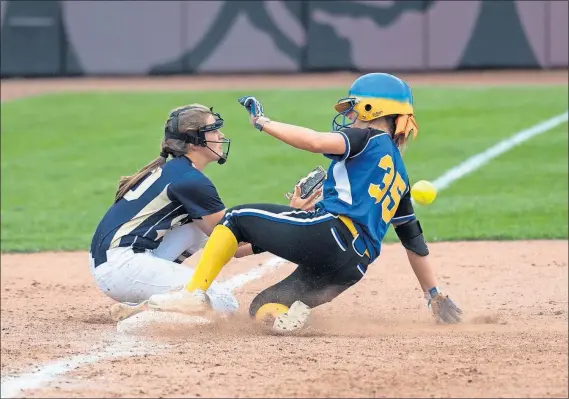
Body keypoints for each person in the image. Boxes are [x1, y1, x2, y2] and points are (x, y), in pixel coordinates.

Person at [146, 73, 463, 333]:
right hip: (352, 267)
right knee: (264, 309)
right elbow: (414, 243)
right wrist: (433, 294)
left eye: (353, 109)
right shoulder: (401, 178)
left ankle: (193, 295)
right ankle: (292, 316)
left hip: (332, 236)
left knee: (238, 217)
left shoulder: (366, 138)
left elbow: (314, 141)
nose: (348, 116)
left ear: (372, 109)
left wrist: (263, 123)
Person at [89, 103, 321, 322]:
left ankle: (155, 299)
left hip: (116, 263)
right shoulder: (191, 181)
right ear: (195, 141)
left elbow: (231, 244)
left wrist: (283, 223)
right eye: (213, 130)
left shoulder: (175, 171)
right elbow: (236, 243)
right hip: (123, 268)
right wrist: (292, 218)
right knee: (224, 302)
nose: (220, 136)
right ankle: (147, 309)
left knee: (203, 229)